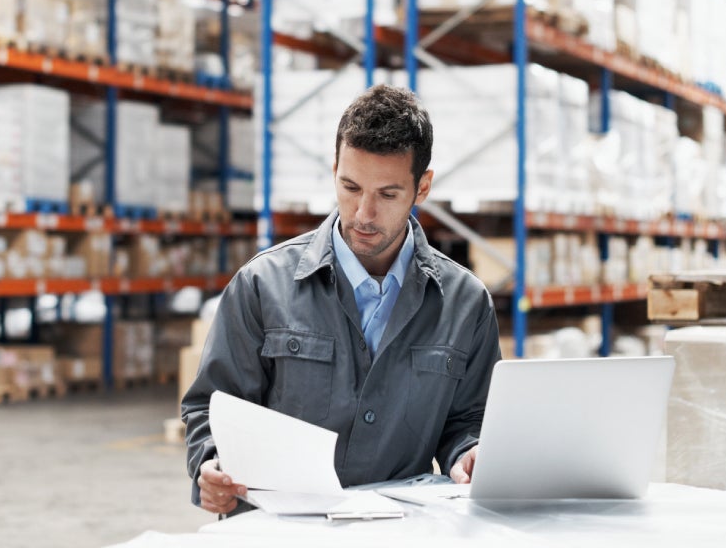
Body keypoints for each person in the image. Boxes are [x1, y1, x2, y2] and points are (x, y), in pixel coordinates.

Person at [181, 85, 501, 515]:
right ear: (334, 169)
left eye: (387, 194)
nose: (364, 214)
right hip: (277, 533)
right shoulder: (261, 285)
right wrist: (210, 463)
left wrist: (470, 455)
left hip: (400, 533)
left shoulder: (466, 304)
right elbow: (212, 404)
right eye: (350, 186)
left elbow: (468, 422)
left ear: (422, 187)